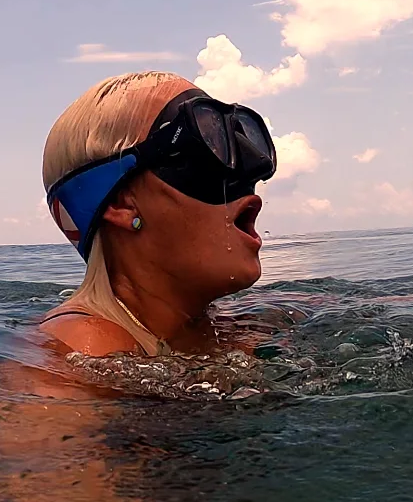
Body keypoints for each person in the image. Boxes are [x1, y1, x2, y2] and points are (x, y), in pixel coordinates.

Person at [38, 71, 276, 357]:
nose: (253, 167)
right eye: (207, 142)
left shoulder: (229, 327)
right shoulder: (80, 350)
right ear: (122, 203)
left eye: (239, 137)